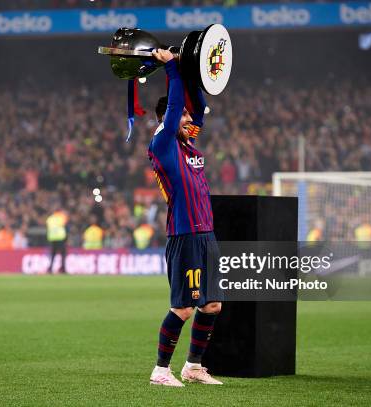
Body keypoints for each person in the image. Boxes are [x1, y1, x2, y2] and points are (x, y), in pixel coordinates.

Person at [147, 49, 223, 387]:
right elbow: (177, 107)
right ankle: (161, 371)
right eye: (183, 116)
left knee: (212, 306)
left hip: (206, 234)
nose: (191, 121)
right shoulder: (163, 143)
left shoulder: (187, 143)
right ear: (168, 119)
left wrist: (194, 73)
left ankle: (193, 367)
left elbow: (200, 112)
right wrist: (173, 69)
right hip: (185, 235)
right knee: (184, 308)